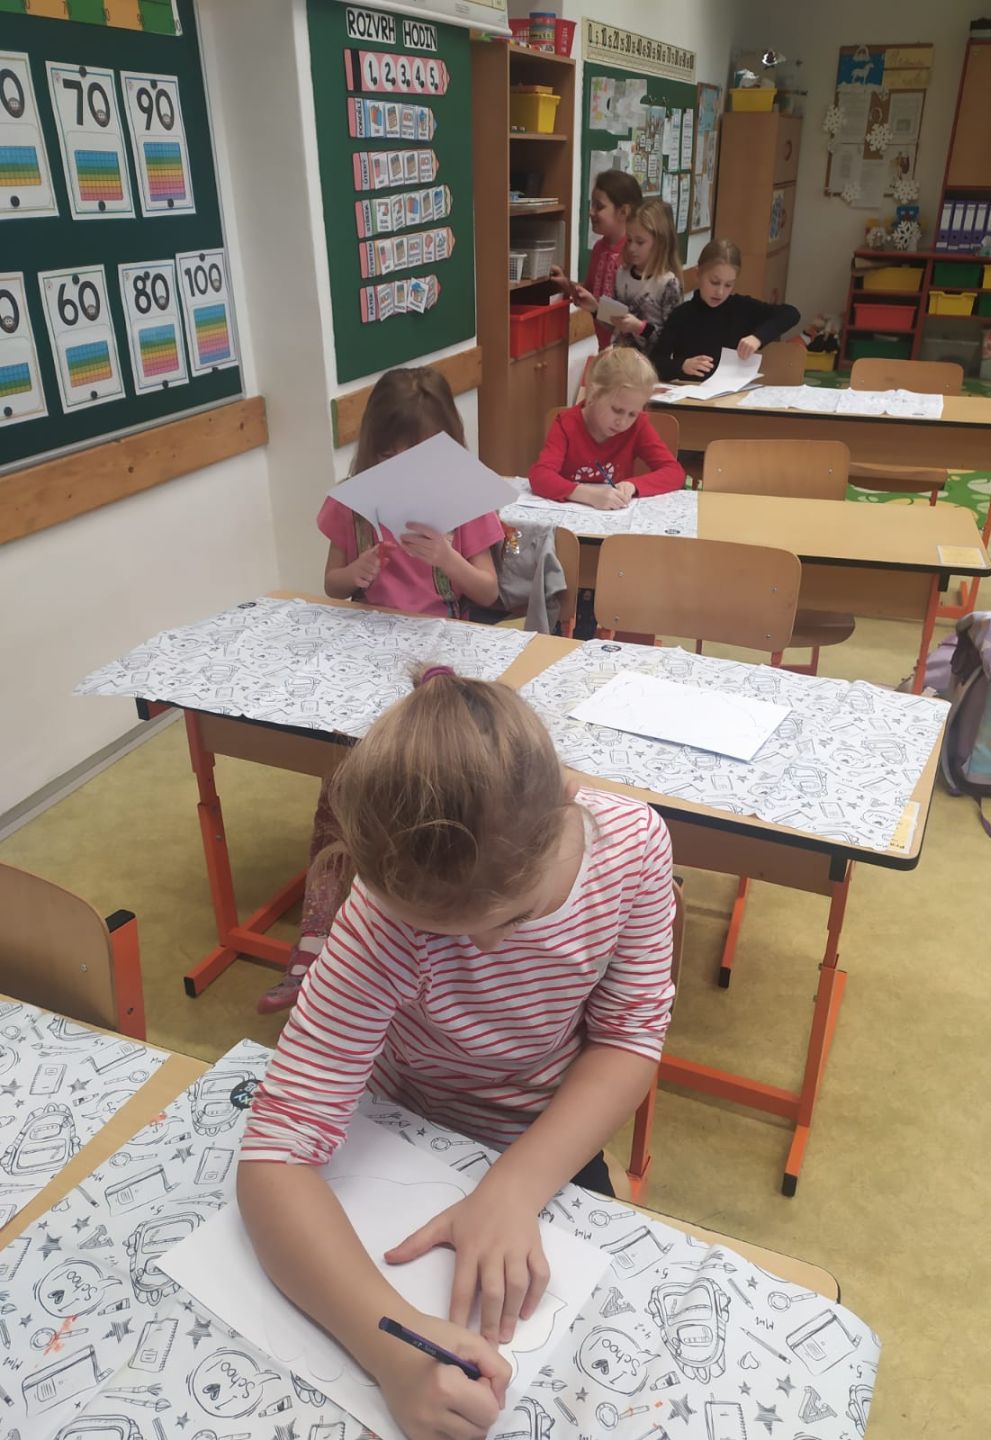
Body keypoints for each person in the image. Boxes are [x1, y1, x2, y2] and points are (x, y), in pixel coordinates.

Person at [238, 671, 675, 1440]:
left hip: (544, 1133)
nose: (485, 950)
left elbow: (627, 1040)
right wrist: (391, 1347)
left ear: (567, 800)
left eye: (513, 918)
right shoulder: (380, 919)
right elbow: (274, 1155)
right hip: (401, 1127)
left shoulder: (632, 849)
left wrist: (512, 1188)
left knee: (607, 1357)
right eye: (441, 935)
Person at [255, 368, 503, 1015]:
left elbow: (488, 591)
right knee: (345, 779)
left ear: (446, 445)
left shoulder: (464, 500)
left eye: (418, 454)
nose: (402, 467)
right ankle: (317, 939)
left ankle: (422, 921)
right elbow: (332, 585)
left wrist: (447, 558)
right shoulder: (354, 503)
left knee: (434, 772)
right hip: (366, 648)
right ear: (373, 448)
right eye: (391, 454)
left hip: (444, 654)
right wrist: (355, 572)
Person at [527, 347, 683, 510]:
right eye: (617, 410)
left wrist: (632, 485)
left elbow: (674, 472)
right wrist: (588, 495)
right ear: (594, 394)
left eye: (632, 414)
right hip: (569, 516)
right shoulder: (566, 424)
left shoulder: (638, 425)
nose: (622, 422)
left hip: (614, 516)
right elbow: (540, 476)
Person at [652, 238, 801, 381]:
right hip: (691, 392)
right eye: (714, 282)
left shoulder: (742, 308)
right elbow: (655, 363)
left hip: (733, 393)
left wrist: (758, 337)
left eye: (728, 285)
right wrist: (681, 366)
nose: (720, 292)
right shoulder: (681, 315)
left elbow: (791, 313)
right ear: (698, 274)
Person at [550, 169, 643, 349]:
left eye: (599, 207)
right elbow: (591, 294)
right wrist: (567, 284)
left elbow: (635, 317)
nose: (591, 212)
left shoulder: (635, 254)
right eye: (591, 205)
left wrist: (597, 308)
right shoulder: (599, 249)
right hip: (605, 347)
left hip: (630, 352)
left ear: (623, 211)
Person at [609, 198, 684, 356]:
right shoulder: (621, 274)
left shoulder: (667, 283)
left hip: (651, 366)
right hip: (620, 360)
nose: (631, 248)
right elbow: (614, 324)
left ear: (660, 243)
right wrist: (594, 308)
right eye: (629, 240)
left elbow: (673, 339)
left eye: (640, 242)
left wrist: (639, 327)